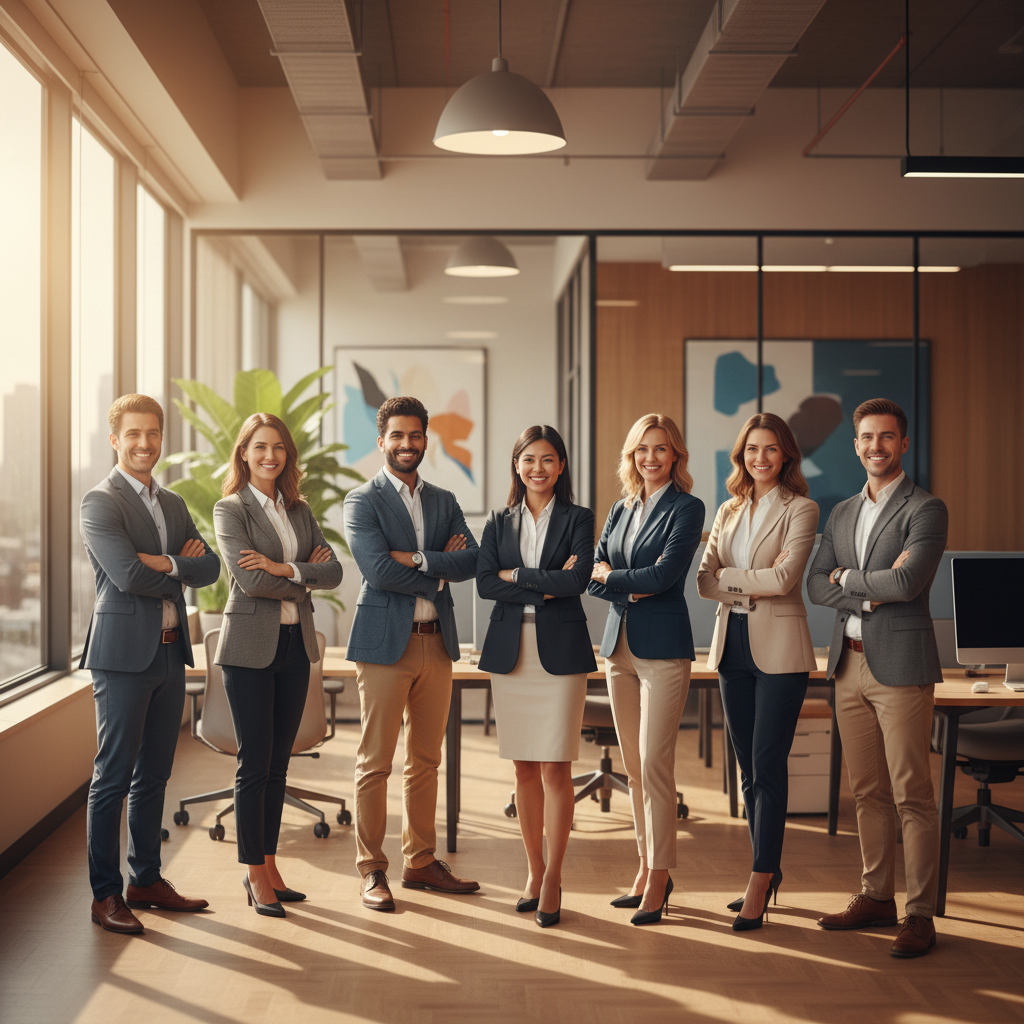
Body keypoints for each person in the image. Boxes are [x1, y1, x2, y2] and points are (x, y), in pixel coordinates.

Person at [808, 397, 947, 959]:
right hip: (849, 663)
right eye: (866, 437)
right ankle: (875, 896)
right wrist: (868, 580)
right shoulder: (840, 513)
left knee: (912, 792)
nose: (875, 447)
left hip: (901, 666)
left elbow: (910, 582)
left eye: (886, 437)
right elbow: (817, 585)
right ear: (856, 443)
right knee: (866, 791)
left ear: (904, 444)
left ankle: (919, 914)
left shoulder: (925, 508)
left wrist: (849, 579)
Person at [80, 394, 220, 934]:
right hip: (121, 654)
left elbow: (209, 568)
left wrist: (167, 562)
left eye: (154, 434)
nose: (145, 444)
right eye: (133, 434)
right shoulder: (101, 501)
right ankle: (105, 894)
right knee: (112, 776)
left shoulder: (174, 503)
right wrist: (179, 568)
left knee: (155, 773)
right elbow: (126, 577)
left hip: (168, 650)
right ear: (114, 438)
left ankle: (145, 878)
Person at [343, 396, 481, 912]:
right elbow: (378, 571)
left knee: (425, 760)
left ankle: (420, 861)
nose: (406, 444)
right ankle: (372, 870)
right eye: (396, 436)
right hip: (384, 645)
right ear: (381, 442)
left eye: (415, 436)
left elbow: (473, 558)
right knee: (375, 761)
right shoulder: (362, 501)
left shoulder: (444, 499)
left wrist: (423, 558)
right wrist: (438, 568)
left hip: (436, 644)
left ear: (427, 439)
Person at [213, 413, 342, 918]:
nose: (270, 456)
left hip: (294, 645)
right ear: (244, 452)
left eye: (279, 448)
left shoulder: (300, 510)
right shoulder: (231, 510)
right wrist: (301, 577)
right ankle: (253, 874)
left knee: (279, 763)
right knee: (255, 762)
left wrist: (285, 569)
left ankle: (270, 863)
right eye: (260, 447)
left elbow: (331, 572)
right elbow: (250, 584)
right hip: (249, 647)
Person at [696, 413, 819, 932]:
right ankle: (765, 867)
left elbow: (788, 578)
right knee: (747, 767)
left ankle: (760, 875)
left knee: (768, 763)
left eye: (770, 449)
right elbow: (704, 582)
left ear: (785, 454)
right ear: (741, 456)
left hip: (781, 650)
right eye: (751, 449)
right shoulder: (728, 509)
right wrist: (745, 581)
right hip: (733, 647)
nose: (760, 458)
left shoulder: (802, 509)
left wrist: (731, 578)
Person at [476, 425, 597, 928]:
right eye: (528, 459)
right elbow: (484, 583)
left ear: (561, 466)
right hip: (512, 651)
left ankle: (554, 878)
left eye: (547, 460)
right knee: (523, 768)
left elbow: (578, 580)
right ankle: (533, 870)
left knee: (555, 768)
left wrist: (517, 576)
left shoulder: (579, 518)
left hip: (561, 653)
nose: (537, 469)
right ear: (516, 465)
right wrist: (542, 585)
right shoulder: (498, 521)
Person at [588, 413, 704, 925]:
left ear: (675, 455)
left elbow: (665, 575)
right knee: (634, 769)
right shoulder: (621, 508)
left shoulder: (687, 507)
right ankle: (643, 866)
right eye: (641, 450)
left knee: (655, 765)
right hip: (618, 649)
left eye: (660, 449)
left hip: (663, 650)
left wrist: (619, 578)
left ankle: (661, 875)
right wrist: (622, 581)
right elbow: (592, 576)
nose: (650, 459)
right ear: (631, 456)